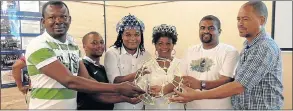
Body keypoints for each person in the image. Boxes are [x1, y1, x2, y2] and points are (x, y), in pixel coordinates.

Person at [25, 1, 145, 109]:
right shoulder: (39, 45)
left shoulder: (72, 46)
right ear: (43, 22)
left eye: (63, 16)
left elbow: (87, 81)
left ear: (69, 19)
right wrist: (118, 88)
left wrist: (124, 98)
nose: (58, 21)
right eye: (52, 17)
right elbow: (70, 81)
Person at [169, 1, 284, 110]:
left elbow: (238, 86)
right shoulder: (248, 46)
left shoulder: (263, 47)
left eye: (245, 19)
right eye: (238, 19)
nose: (240, 23)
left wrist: (197, 93)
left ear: (262, 20)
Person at [178, 15, 239, 109]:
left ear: (219, 31)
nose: (206, 31)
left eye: (211, 28)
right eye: (202, 28)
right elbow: (182, 79)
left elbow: (226, 81)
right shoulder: (189, 51)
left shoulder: (229, 51)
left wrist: (200, 84)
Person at [104, 14, 152, 109]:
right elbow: (115, 81)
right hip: (120, 107)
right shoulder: (112, 53)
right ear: (121, 35)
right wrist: (138, 73)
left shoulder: (147, 55)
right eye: (128, 34)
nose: (133, 38)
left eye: (137, 34)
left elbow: (150, 82)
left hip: (140, 107)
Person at [136, 24, 185, 109]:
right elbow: (140, 92)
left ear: (173, 45)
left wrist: (165, 90)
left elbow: (188, 88)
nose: (164, 47)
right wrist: (147, 92)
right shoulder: (147, 66)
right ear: (155, 45)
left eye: (168, 43)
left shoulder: (182, 64)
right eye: (160, 43)